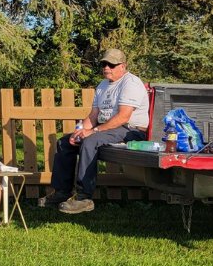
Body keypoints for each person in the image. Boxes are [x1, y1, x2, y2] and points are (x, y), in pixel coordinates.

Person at [43, 48, 149, 214]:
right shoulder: (102, 85)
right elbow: (93, 116)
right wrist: (78, 131)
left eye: (111, 65)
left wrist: (93, 131)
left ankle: (84, 197)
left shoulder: (131, 83)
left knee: (90, 141)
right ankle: (62, 192)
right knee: (64, 142)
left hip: (131, 130)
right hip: (107, 128)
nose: (106, 67)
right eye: (104, 64)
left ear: (123, 66)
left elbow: (123, 117)